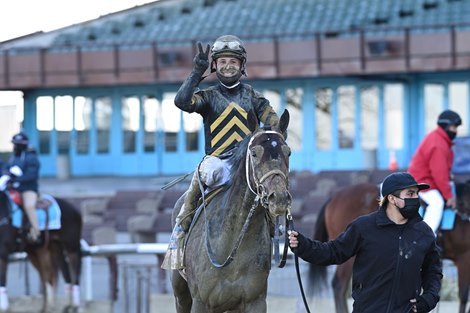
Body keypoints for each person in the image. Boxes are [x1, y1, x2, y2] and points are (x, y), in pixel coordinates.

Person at [162, 35, 280, 270]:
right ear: (215, 65)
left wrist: (274, 131)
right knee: (210, 170)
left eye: (233, 61)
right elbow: (182, 102)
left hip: (247, 164)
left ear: (242, 65)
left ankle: (272, 233)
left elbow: (273, 121)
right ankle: (180, 233)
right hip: (218, 161)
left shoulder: (253, 96)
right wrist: (196, 72)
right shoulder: (208, 96)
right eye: (223, 61)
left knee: (273, 183)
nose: (228, 66)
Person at [288, 172, 442, 313]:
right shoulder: (363, 227)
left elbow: (433, 273)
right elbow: (333, 252)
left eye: (416, 194)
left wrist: (427, 300)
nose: (415, 199)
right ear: (392, 198)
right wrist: (302, 245)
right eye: (410, 194)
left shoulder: (424, 233)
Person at [408, 109, 462, 234]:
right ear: (446, 126)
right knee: (437, 203)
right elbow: (439, 174)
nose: (456, 131)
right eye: (454, 127)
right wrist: (449, 196)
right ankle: (424, 238)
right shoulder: (438, 144)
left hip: (428, 179)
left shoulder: (439, 139)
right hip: (421, 181)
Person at [1, 132, 41, 242]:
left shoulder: (32, 158)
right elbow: (6, 168)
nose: (15, 146)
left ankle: (36, 232)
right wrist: (6, 174)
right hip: (13, 189)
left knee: (29, 206)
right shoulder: (13, 157)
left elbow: (32, 175)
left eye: (18, 144)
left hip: (28, 189)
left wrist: (15, 179)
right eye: (14, 144)